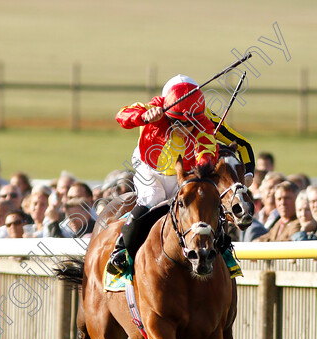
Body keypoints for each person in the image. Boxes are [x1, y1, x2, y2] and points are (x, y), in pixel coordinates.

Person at [107, 74, 255, 275]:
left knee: (202, 202)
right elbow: (122, 115)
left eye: (189, 123)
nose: (184, 128)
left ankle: (223, 250)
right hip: (149, 169)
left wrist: (203, 166)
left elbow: (207, 150)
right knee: (153, 197)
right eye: (177, 122)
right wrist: (144, 117)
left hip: (182, 172)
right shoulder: (153, 107)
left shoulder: (204, 123)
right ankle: (121, 250)